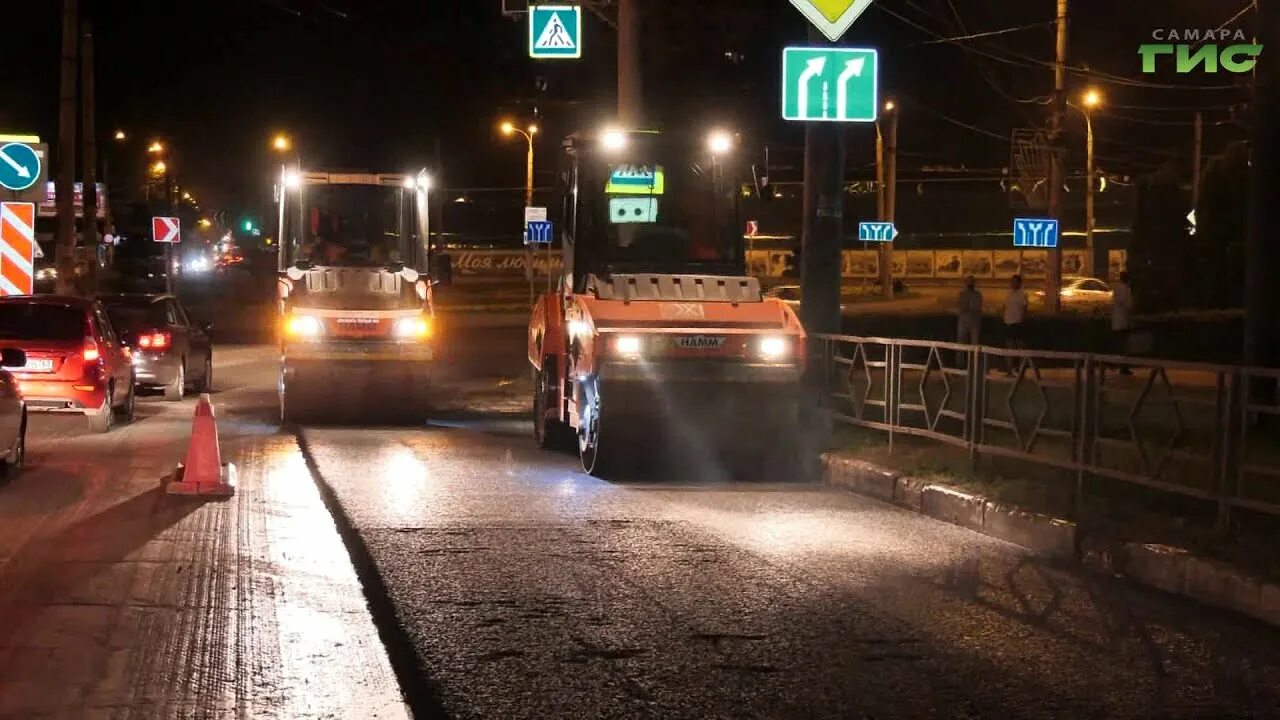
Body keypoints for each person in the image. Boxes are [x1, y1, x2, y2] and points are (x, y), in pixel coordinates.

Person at [1003, 274, 1029, 374]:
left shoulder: (1022, 294)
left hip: (1017, 323)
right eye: (1011, 281)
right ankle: (1009, 368)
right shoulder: (1009, 293)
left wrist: (1021, 321)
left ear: (1019, 283)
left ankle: (1021, 368)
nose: (1012, 283)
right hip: (1008, 322)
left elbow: (1024, 308)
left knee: (1020, 346)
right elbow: (1005, 307)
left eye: (1014, 281)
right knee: (1009, 346)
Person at [956, 275, 983, 367]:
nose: (970, 283)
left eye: (971, 281)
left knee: (974, 344)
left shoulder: (977, 294)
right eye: (968, 281)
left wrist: (968, 307)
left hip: (974, 322)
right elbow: (962, 307)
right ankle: (960, 364)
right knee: (961, 343)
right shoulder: (962, 294)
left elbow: (977, 307)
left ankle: (974, 363)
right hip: (963, 322)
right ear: (965, 283)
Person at [1111, 271, 1134, 375]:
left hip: (1116, 321)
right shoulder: (1127, 290)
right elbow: (1128, 306)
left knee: (1119, 345)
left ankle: (1119, 365)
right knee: (1125, 346)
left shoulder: (1116, 288)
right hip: (1124, 321)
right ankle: (1124, 367)